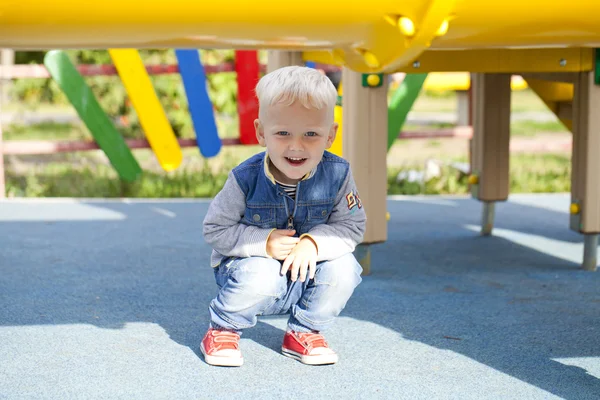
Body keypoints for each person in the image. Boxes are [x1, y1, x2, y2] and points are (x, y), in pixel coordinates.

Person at [201, 65, 366, 367]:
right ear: (261, 133)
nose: (296, 145)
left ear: (331, 135)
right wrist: (263, 242)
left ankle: (304, 331)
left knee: (344, 269)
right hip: (251, 272)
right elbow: (215, 229)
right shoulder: (244, 178)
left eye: (311, 134)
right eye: (283, 133)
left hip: (307, 274)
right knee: (260, 275)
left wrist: (314, 244)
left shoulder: (338, 174)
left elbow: (352, 225)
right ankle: (224, 327)